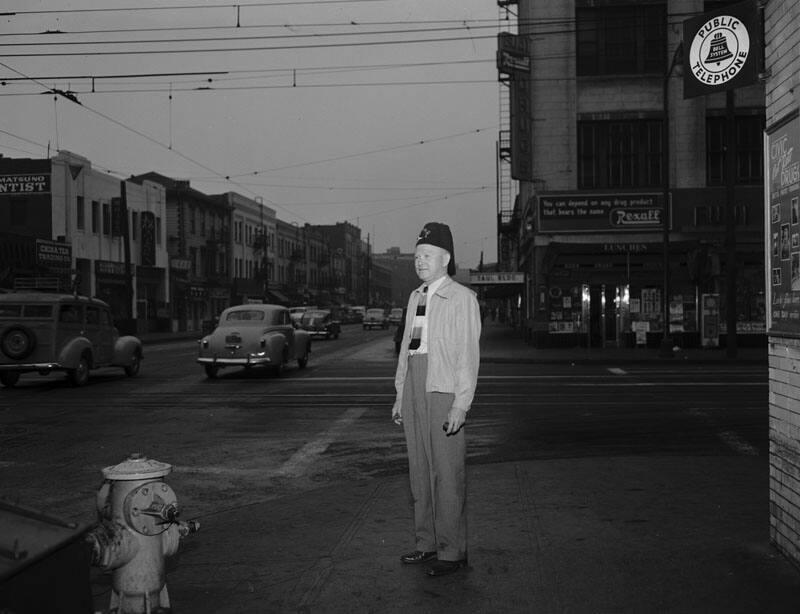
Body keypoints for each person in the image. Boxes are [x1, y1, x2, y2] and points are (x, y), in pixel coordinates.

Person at [391, 221, 481, 577]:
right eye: (417, 256)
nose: (420, 261)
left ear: (446, 258)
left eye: (427, 255)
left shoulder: (463, 299)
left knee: (446, 471)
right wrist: (400, 396)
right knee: (419, 470)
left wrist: (461, 403)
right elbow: (406, 351)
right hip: (415, 381)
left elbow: (467, 358)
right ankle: (426, 544)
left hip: (443, 386)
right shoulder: (416, 297)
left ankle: (452, 552)